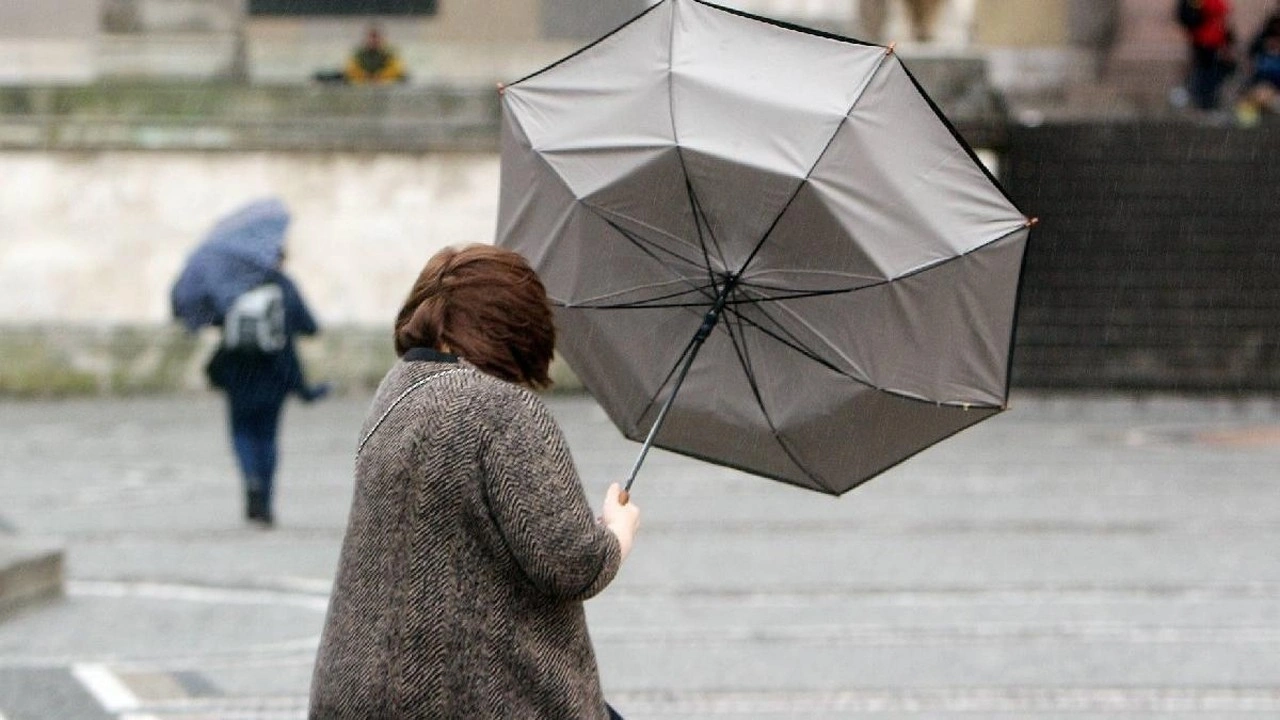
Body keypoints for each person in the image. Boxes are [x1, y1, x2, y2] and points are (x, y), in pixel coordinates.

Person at [309, 244, 641, 719]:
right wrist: (617, 532)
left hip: (358, 691)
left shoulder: (395, 393)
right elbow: (571, 562)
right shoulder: (499, 410)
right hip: (470, 696)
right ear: (516, 327)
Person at [205, 249, 329, 528]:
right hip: (275, 373)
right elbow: (309, 326)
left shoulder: (233, 285)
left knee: (241, 432)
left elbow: (214, 319)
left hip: (238, 375)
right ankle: (266, 503)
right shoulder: (284, 286)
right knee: (268, 437)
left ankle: (250, 479)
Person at [1179, 0, 1237, 111]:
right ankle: (1203, 101)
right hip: (1204, 41)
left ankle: (1207, 99)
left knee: (1220, 70)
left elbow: (1226, 21)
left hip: (1218, 41)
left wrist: (1229, 42)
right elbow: (1189, 15)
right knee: (1205, 71)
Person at [1234, 8, 1280, 126]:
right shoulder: (1261, 43)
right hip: (1263, 84)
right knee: (1258, 96)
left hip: (1273, 88)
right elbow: (1250, 55)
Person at [343, 25, 408, 84]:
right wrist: (365, 77)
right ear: (366, 39)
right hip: (362, 85)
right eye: (371, 37)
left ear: (382, 39)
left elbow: (396, 69)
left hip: (384, 86)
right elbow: (351, 69)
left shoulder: (389, 55)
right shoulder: (358, 55)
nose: (373, 40)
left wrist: (380, 78)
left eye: (376, 37)